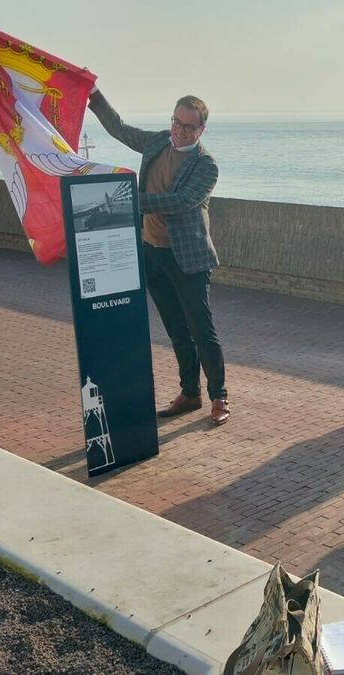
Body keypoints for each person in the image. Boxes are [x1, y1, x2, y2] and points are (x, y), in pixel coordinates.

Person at [88, 89, 230, 425]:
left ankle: (219, 396)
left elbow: (180, 201)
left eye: (189, 127)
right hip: (152, 251)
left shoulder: (206, 165)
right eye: (176, 122)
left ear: (201, 130)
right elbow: (120, 129)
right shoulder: (157, 142)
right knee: (176, 329)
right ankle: (190, 393)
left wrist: (128, 200)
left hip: (188, 259)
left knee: (201, 330)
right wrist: (94, 97)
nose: (180, 131)